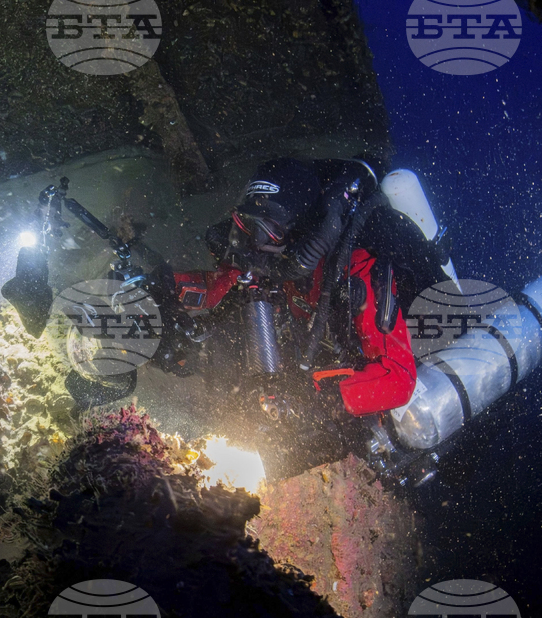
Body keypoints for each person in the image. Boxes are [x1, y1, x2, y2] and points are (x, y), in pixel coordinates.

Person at [149, 157, 453, 426]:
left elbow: (398, 378)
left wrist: (319, 397)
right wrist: (157, 289)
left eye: (268, 230)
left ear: (302, 232)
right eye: (245, 223)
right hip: (301, 362)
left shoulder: (356, 267)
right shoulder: (269, 251)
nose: (253, 242)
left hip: (356, 380)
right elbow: (218, 287)